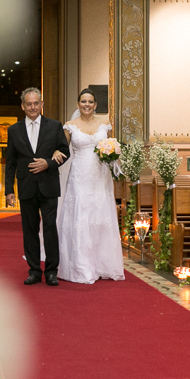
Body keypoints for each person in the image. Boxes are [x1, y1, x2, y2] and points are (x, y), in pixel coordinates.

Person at [52, 88, 125, 284]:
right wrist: (54, 154)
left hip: (100, 176)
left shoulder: (104, 124)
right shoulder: (70, 126)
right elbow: (62, 149)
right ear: (78, 104)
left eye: (90, 102)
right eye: (83, 101)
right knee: (82, 217)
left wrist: (113, 154)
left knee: (100, 216)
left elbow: (112, 145)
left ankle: (103, 265)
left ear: (95, 105)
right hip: (80, 176)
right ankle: (82, 267)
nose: (87, 105)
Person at [4, 87, 70, 286]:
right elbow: (11, 163)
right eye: (29, 104)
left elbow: (64, 152)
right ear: (23, 106)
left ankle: (51, 271)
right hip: (26, 187)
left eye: (36, 103)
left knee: (50, 228)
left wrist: (48, 163)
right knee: (29, 230)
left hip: (48, 185)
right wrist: (9, 190)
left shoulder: (54, 126)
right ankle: (34, 270)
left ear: (42, 104)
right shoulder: (14, 130)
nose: (33, 107)